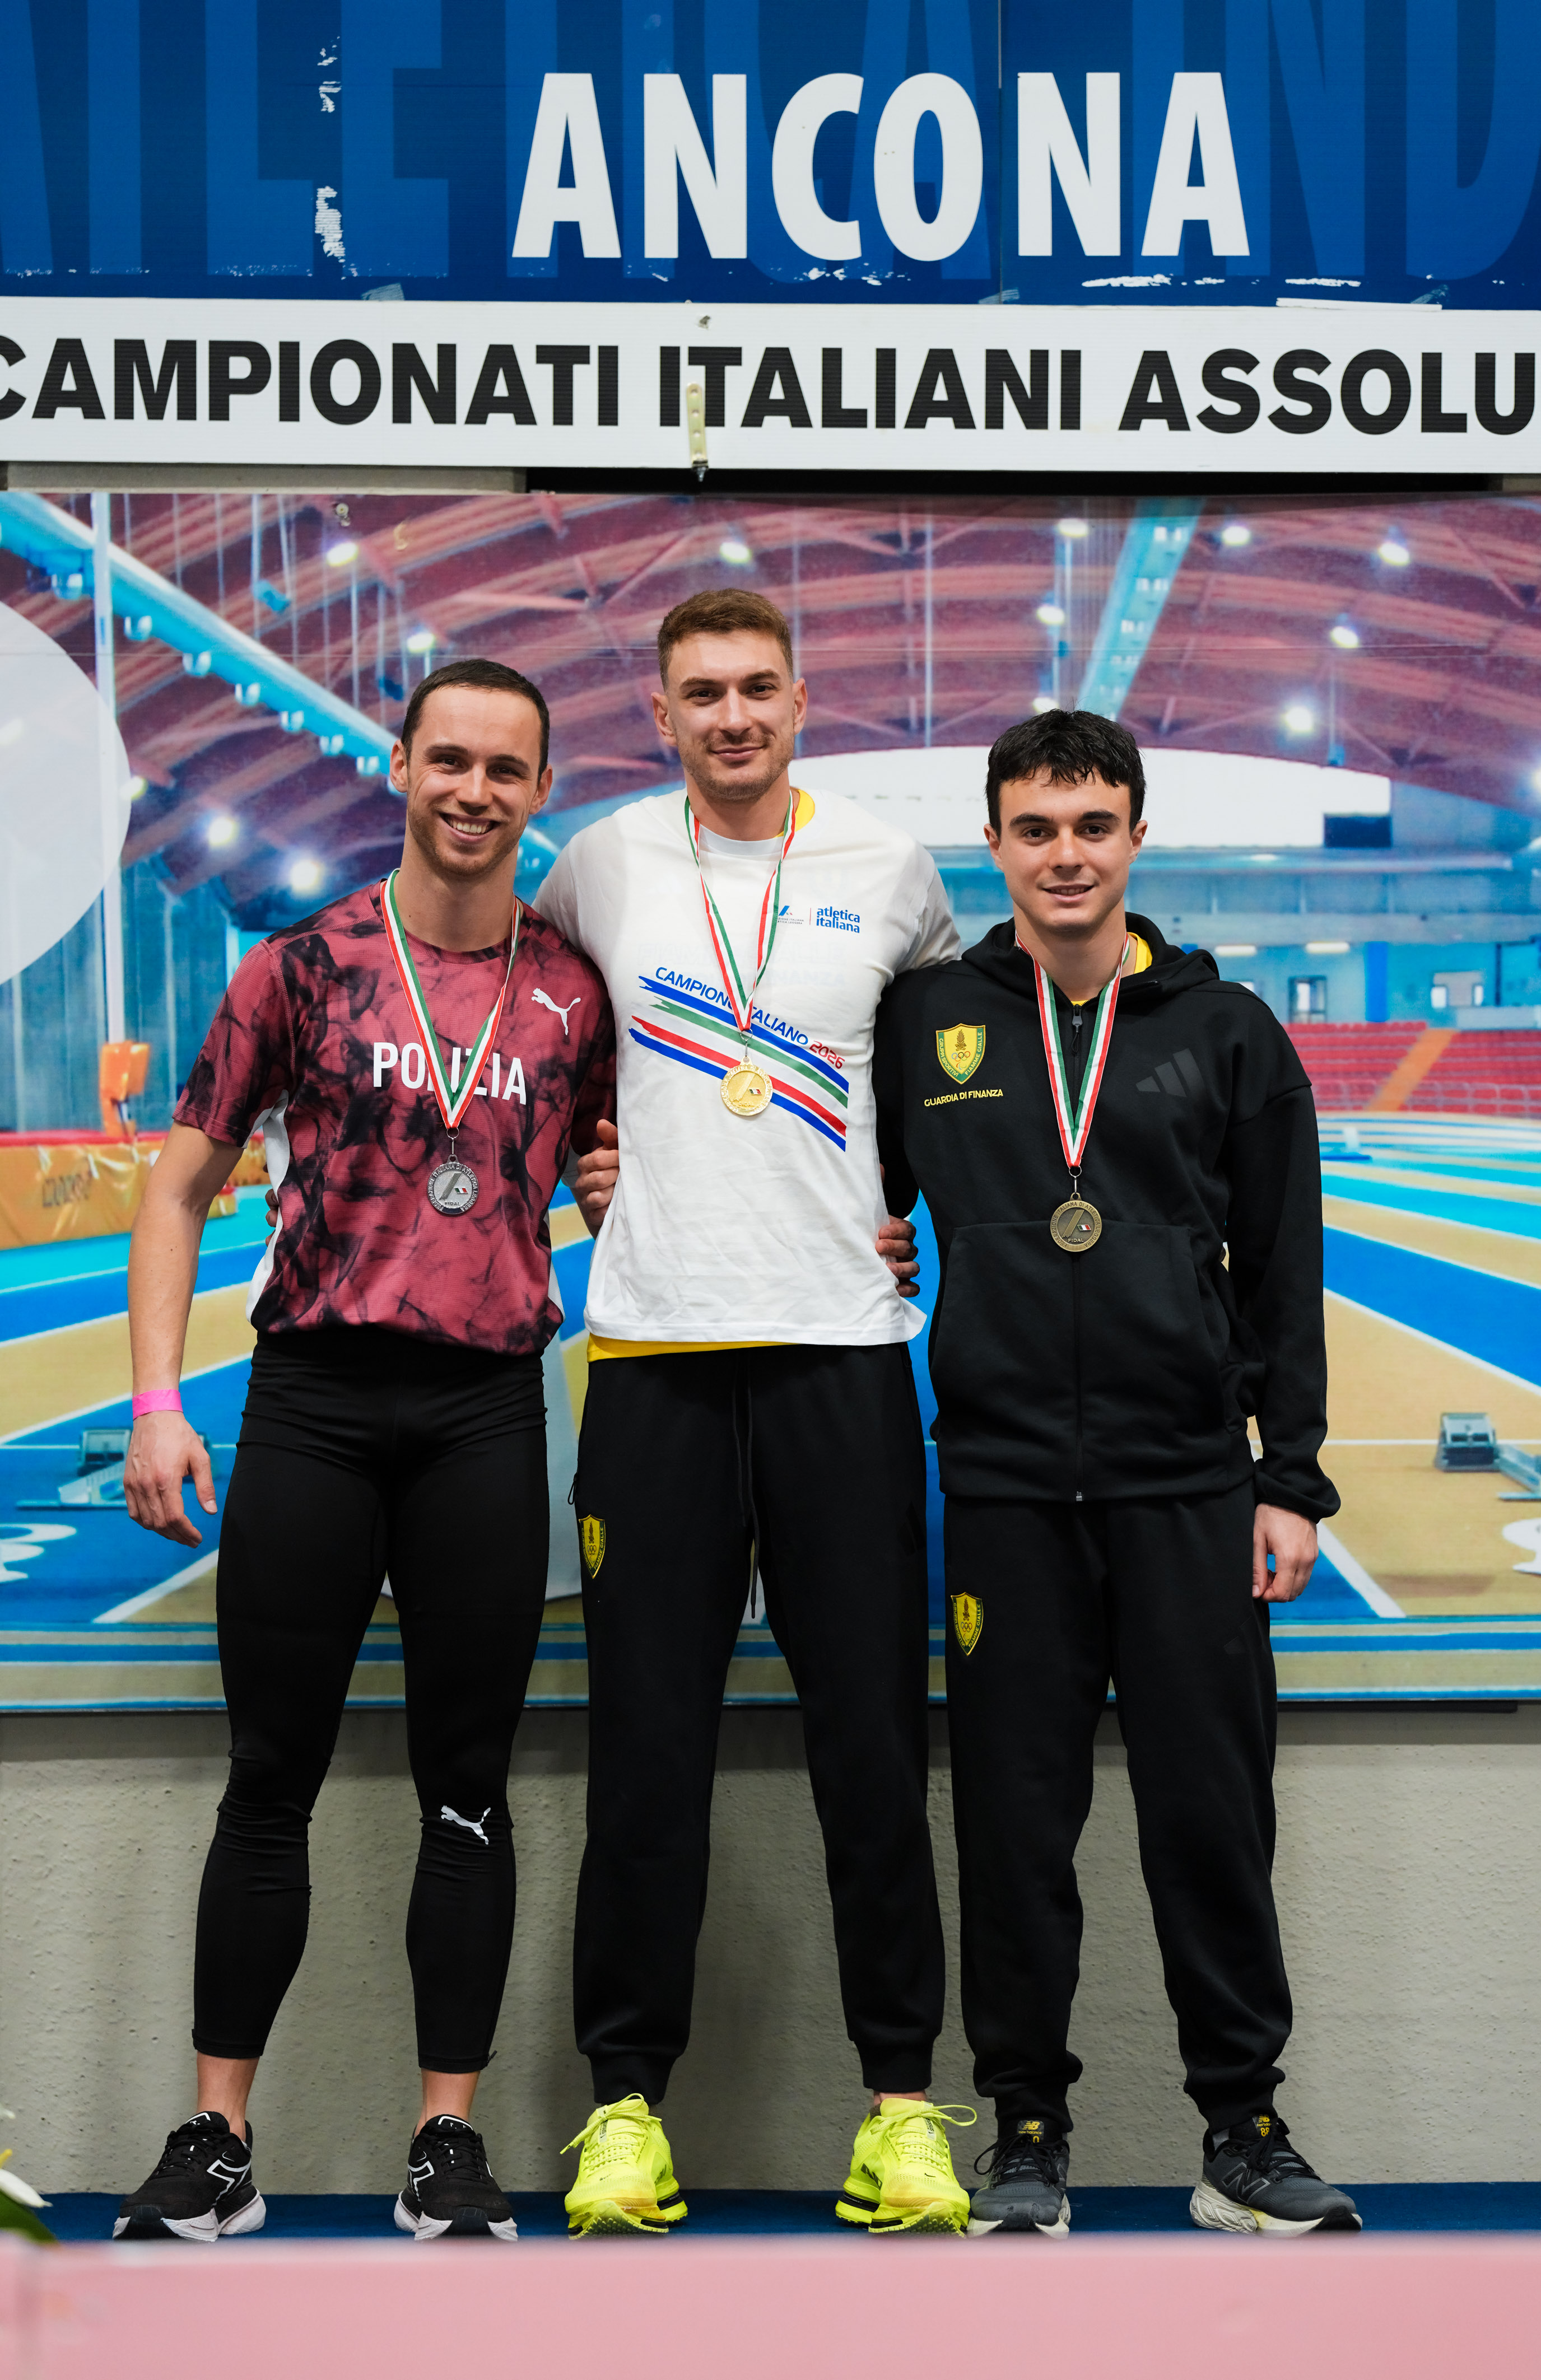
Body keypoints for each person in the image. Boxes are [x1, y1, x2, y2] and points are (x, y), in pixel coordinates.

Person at [114, 658, 614, 2244]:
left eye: (506, 769)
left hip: (484, 1413)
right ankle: (217, 2137)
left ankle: (444, 2141)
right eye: (448, 759)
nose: (474, 790)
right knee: (270, 1778)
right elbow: (176, 1189)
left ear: (540, 791)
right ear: (400, 768)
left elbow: (629, 1179)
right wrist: (155, 1403)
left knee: (468, 1787)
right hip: (314, 1405)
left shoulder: (575, 990)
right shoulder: (299, 967)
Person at [872, 707, 1360, 2239]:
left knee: (1211, 1818)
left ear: (1137, 836)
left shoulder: (1228, 1030)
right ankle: (1025, 2123)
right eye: (1035, 828)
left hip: (1187, 1487)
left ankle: (1243, 2126)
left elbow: (1284, 1269)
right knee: (1014, 1827)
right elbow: (847, 1186)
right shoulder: (927, 1019)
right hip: (1004, 1487)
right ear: (993, 843)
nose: (1066, 855)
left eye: (1093, 826)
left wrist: (1289, 1478)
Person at [534, 587, 975, 2237]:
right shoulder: (598, 863)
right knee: (646, 1758)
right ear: (661, 714)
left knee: (874, 1751)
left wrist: (913, 1202)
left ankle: (901, 2113)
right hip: (653, 1354)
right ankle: (624, 2111)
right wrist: (585, 1157)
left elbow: (949, 1066)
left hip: (839, 1353)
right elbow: (545, 1027)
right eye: (702, 692)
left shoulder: (891, 868)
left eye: (757, 687)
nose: (732, 715)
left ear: (802, 700)